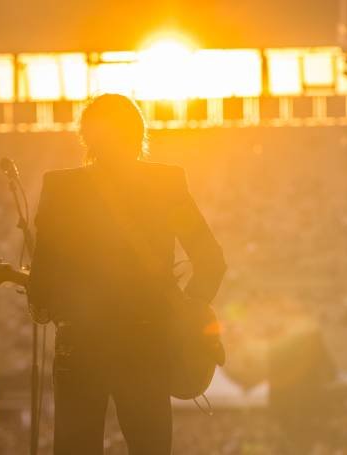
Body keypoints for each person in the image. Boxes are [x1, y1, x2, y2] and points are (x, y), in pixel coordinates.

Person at [28, 93, 227, 455]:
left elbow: (42, 282)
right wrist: (187, 311)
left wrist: (45, 303)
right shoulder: (166, 183)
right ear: (138, 134)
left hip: (80, 341)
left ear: (86, 137)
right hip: (147, 340)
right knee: (150, 446)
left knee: (76, 447)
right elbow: (211, 259)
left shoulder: (61, 187)